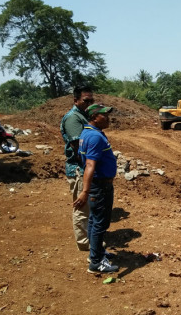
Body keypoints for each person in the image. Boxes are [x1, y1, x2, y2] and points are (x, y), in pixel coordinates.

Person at [74, 104, 119, 273]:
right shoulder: (94, 137)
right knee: (100, 223)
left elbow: (82, 158)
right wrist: (85, 191)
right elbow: (90, 165)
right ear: (94, 117)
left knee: (94, 220)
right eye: (104, 115)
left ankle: (97, 252)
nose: (108, 118)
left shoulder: (88, 133)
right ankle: (95, 262)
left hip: (98, 185)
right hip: (100, 186)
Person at [60, 86, 95, 251]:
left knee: (87, 205)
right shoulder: (73, 118)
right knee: (81, 206)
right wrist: (91, 164)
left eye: (91, 100)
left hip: (85, 167)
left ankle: (88, 236)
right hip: (78, 168)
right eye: (85, 100)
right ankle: (84, 242)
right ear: (76, 101)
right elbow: (78, 147)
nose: (89, 104)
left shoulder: (82, 115)